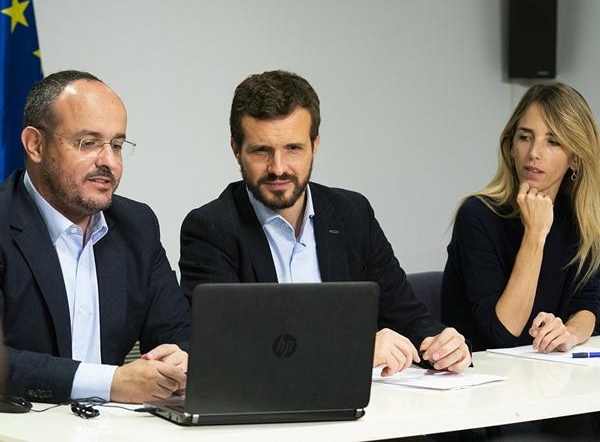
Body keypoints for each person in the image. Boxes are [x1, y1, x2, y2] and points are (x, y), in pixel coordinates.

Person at [180, 70, 471, 375]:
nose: (278, 168)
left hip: (363, 410)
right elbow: (229, 349)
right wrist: (355, 348)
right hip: (264, 414)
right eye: (261, 150)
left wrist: (441, 343)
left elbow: (405, 313)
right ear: (236, 148)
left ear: (315, 145)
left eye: (293, 148)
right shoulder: (211, 229)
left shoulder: (352, 214)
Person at [0, 70, 190, 404]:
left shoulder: (137, 225)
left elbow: (177, 330)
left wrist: (182, 359)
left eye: (116, 145)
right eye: (87, 143)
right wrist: (110, 382)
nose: (108, 162)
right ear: (35, 145)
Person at [441, 82, 600, 353]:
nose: (533, 153)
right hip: (481, 379)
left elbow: (590, 303)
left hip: (545, 377)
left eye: (553, 141)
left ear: (574, 158)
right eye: (525, 137)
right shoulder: (477, 215)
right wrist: (535, 234)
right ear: (511, 146)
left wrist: (569, 333)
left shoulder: (582, 220)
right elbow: (502, 332)